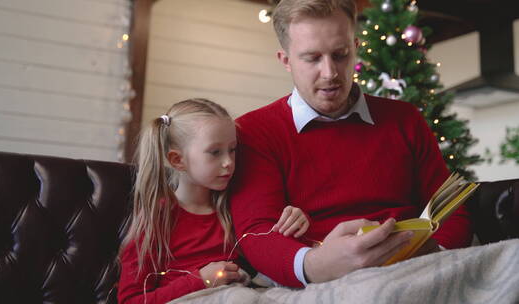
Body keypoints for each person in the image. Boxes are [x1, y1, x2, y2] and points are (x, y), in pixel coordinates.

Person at [229, 0, 472, 288]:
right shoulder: (254, 131)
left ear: (355, 46)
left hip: (418, 268)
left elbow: (451, 206)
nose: (330, 72)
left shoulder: (405, 119)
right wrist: (314, 265)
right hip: (322, 278)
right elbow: (255, 233)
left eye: (340, 54)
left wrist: (436, 256)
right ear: (285, 60)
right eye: (312, 58)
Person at [117, 98, 310, 303]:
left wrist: (295, 223)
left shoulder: (234, 207)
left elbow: (268, 256)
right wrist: (201, 280)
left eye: (232, 149)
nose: (228, 162)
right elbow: (130, 300)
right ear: (177, 160)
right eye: (215, 152)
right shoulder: (157, 220)